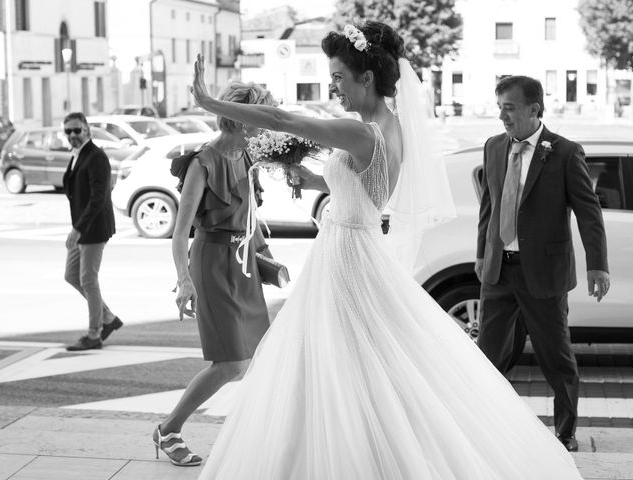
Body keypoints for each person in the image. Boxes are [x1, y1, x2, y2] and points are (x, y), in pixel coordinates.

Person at [190, 22, 584, 479]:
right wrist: (319, 180)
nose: (333, 86)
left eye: (338, 76)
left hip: (346, 259)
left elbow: (282, 121)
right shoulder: (388, 128)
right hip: (356, 248)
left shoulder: (363, 133)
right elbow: (366, 187)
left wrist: (209, 102)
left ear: (367, 78)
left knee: (335, 361)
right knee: (355, 362)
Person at [475, 75, 610, 452]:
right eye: (499, 106)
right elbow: (488, 205)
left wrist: (597, 264)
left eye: (509, 108)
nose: (502, 116)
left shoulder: (565, 152)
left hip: (544, 274)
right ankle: (486, 427)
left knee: (557, 360)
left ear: (534, 109)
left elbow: (589, 212)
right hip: (499, 271)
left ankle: (565, 433)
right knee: (487, 360)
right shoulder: (493, 146)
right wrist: (482, 254)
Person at [152, 81, 276, 467]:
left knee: (257, 355)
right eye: (259, 114)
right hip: (211, 263)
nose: (265, 121)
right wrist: (184, 280)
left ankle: (258, 434)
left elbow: (251, 218)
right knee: (230, 363)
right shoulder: (204, 161)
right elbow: (181, 229)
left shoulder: (246, 156)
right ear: (241, 119)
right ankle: (169, 429)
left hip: (244, 264)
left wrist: (266, 257)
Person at [62, 112, 122, 352]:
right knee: (71, 275)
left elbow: (98, 198)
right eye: (68, 131)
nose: (73, 135)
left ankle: (94, 334)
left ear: (87, 129)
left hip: (93, 227)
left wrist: (78, 228)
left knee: (87, 279)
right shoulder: (77, 155)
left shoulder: (96, 156)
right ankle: (108, 317)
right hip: (83, 227)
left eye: (77, 130)